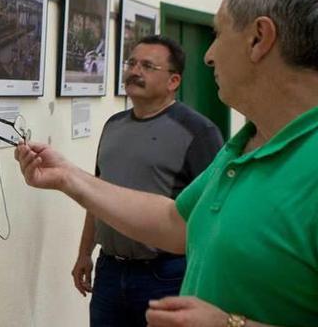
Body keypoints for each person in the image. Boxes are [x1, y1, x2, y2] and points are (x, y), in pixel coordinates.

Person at [15, 0, 318, 327]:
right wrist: (68, 177)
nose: (209, 54)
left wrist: (231, 325)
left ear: (260, 38)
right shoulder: (248, 145)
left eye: (218, 33)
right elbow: (175, 221)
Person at [77, 35, 223, 327]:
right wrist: (84, 253)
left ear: (173, 81)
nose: (134, 71)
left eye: (147, 66)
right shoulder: (113, 125)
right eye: (131, 63)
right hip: (109, 272)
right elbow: (97, 195)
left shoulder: (199, 132)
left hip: (165, 276)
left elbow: (215, 212)